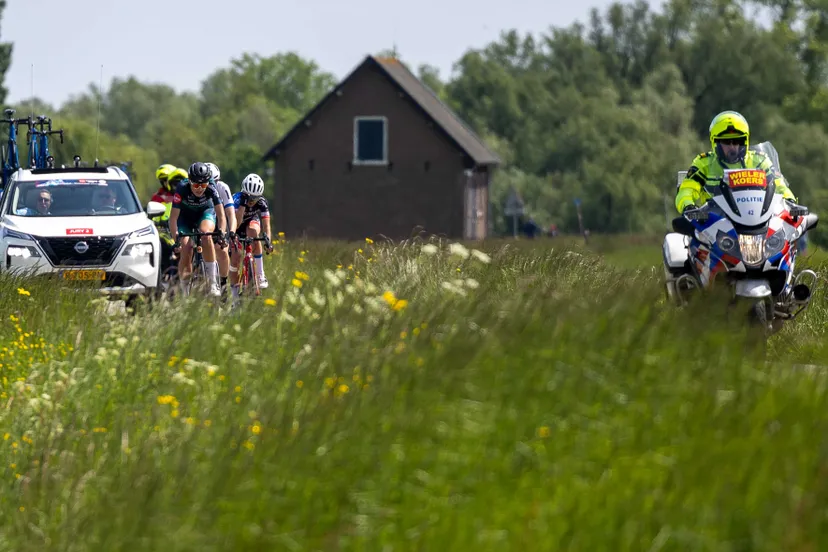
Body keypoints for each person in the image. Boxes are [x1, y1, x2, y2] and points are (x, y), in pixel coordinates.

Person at [676, 111, 797, 213]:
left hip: (757, 221)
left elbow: (779, 186)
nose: (732, 146)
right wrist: (688, 206)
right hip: (714, 223)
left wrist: (790, 201)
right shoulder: (703, 163)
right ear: (715, 142)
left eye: (737, 141)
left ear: (745, 141)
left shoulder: (760, 161)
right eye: (726, 142)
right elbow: (687, 190)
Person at [168, 162, 227, 297]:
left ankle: (212, 282)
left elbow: (221, 215)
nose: (200, 188)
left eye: (203, 185)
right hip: (185, 217)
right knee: (186, 247)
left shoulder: (212, 187)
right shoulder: (182, 188)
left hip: (205, 212)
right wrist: (175, 239)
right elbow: (173, 218)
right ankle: (184, 290)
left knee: (206, 235)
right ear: (189, 181)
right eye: (195, 185)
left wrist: (222, 233)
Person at [229, 173, 273, 298]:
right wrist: (243, 205)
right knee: (236, 257)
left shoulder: (262, 202)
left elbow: (266, 226)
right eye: (249, 198)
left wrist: (268, 242)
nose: (252, 202)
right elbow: (236, 224)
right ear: (244, 194)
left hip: (250, 222)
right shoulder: (237, 200)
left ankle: (260, 274)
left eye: (255, 198)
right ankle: (234, 294)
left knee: (254, 232)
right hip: (236, 225)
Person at [205, 162, 237, 296]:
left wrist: (231, 232)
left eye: (214, 181)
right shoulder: (196, 187)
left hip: (219, 219)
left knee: (222, 250)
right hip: (203, 217)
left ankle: (223, 284)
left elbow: (230, 214)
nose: (211, 185)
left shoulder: (222, 188)